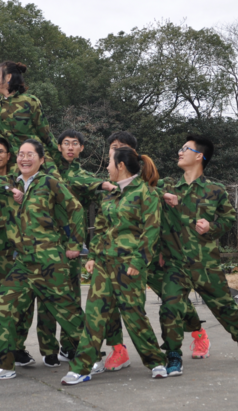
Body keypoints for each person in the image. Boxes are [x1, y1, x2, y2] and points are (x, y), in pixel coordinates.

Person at [0, 139, 86, 381]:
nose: (25, 159)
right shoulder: (13, 183)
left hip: (48, 261)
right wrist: (11, 190)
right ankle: (3, 365)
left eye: (30, 155)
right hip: (24, 262)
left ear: (42, 159)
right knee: (1, 306)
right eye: (21, 155)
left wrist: (74, 244)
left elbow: (75, 208)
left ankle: (90, 360)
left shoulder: (48, 182)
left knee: (68, 313)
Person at [158, 135, 238, 377]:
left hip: (206, 263)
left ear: (199, 156)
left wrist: (211, 228)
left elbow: (229, 218)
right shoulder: (168, 186)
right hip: (176, 263)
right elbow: (143, 188)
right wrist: (162, 195)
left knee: (226, 307)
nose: (179, 152)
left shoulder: (215, 190)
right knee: (170, 307)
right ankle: (173, 355)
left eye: (185, 149)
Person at [61, 146, 168, 385]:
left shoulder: (146, 193)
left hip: (128, 265)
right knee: (94, 316)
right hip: (104, 263)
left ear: (120, 165)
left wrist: (138, 261)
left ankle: (156, 361)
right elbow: (100, 228)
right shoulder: (110, 194)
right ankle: (81, 367)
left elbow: (151, 230)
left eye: (109, 163)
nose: (107, 168)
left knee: (134, 315)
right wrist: (92, 256)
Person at [106, 130, 209, 361]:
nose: (115, 151)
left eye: (120, 147)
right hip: (119, 255)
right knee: (111, 303)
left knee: (172, 297)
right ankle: (118, 350)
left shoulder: (149, 180)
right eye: (113, 147)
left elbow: (159, 217)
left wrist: (162, 248)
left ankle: (198, 333)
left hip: (150, 253)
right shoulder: (110, 182)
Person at [35, 129, 128, 370]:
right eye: (65, 143)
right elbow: (67, 182)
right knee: (46, 298)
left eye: (75, 143)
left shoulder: (84, 176)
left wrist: (103, 186)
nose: (70, 147)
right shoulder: (48, 170)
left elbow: (93, 192)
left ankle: (70, 346)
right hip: (44, 242)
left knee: (71, 296)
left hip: (70, 244)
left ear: (81, 148)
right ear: (58, 147)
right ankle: (48, 349)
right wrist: (101, 183)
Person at [0, 137, 36, 366]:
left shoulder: (20, 177)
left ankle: (17, 347)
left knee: (24, 304)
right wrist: (12, 190)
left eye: (1, 151)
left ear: (8, 156)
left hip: (23, 251)